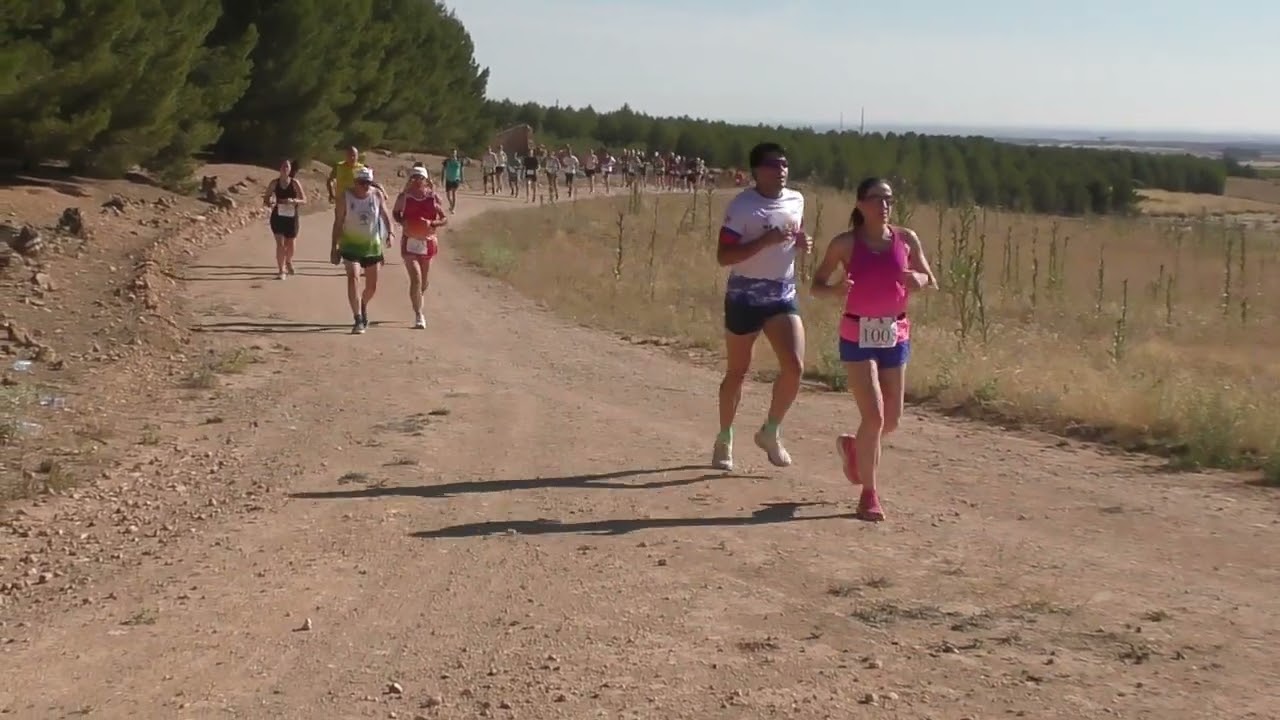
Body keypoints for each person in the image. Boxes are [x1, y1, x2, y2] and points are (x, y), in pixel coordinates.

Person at [809, 176, 938, 521]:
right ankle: (869, 494)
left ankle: (855, 448)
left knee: (891, 420)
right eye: (877, 199)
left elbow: (930, 278)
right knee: (875, 416)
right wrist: (836, 290)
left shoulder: (906, 239)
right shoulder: (845, 244)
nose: (884, 205)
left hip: (895, 333)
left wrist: (920, 279)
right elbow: (816, 286)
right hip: (857, 333)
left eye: (889, 199)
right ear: (860, 204)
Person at [711, 142, 811, 472]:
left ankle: (770, 431)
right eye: (772, 164)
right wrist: (764, 241)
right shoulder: (743, 207)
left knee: (794, 367)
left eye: (784, 164)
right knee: (738, 371)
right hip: (745, 295)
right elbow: (724, 256)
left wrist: (801, 242)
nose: (781, 170)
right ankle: (724, 437)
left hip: (782, 293)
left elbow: (793, 235)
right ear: (756, 170)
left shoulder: (797, 200)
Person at [331, 166, 393, 335]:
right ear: (355, 182)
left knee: (372, 286)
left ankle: (363, 304)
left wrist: (390, 233)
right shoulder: (345, 196)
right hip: (350, 245)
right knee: (353, 276)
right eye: (362, 182)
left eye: (368, 183)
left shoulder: (376, 195)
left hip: (372, 246)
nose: (365, 186)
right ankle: (358, 318)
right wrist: (334, 247)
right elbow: (338, 222)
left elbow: (385, 215)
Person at [393, 166, 448, 329]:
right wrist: (402, 222)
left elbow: (444, 219)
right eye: (414, 177)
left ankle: (419, 295)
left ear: (425, 180)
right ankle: (419, 314)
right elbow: (396, 213)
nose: (417, 181)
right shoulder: (404, 197)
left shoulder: (432, 197)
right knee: (415, 278)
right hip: (410, 241)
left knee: (423, 281)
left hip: (428, 241)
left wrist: (432, 223)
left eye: (420, 178)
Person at [261, 159, 306, 279]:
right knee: (280, 244)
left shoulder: (295, 183)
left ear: (290, 169)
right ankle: (281, 270)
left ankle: (288, 261)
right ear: (279, 168)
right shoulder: (274, 183)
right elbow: (266, 197)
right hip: (278, 216)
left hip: (291, 217)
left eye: (287, 166)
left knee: (290, 244)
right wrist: (269, 202)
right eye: (283, 166)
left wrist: (294, 201)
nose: (285, 168)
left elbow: (304, 200)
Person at [327, 146, 365, 211]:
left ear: (357, 156)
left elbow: (367, 184)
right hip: (341, 200)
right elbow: (330, 180)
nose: (352, 158)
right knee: (340, 216)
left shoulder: (362, 169)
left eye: (354, 155)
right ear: (346, 156)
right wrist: (331, 194)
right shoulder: (338, 166)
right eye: (349, 155)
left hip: (356, 201)